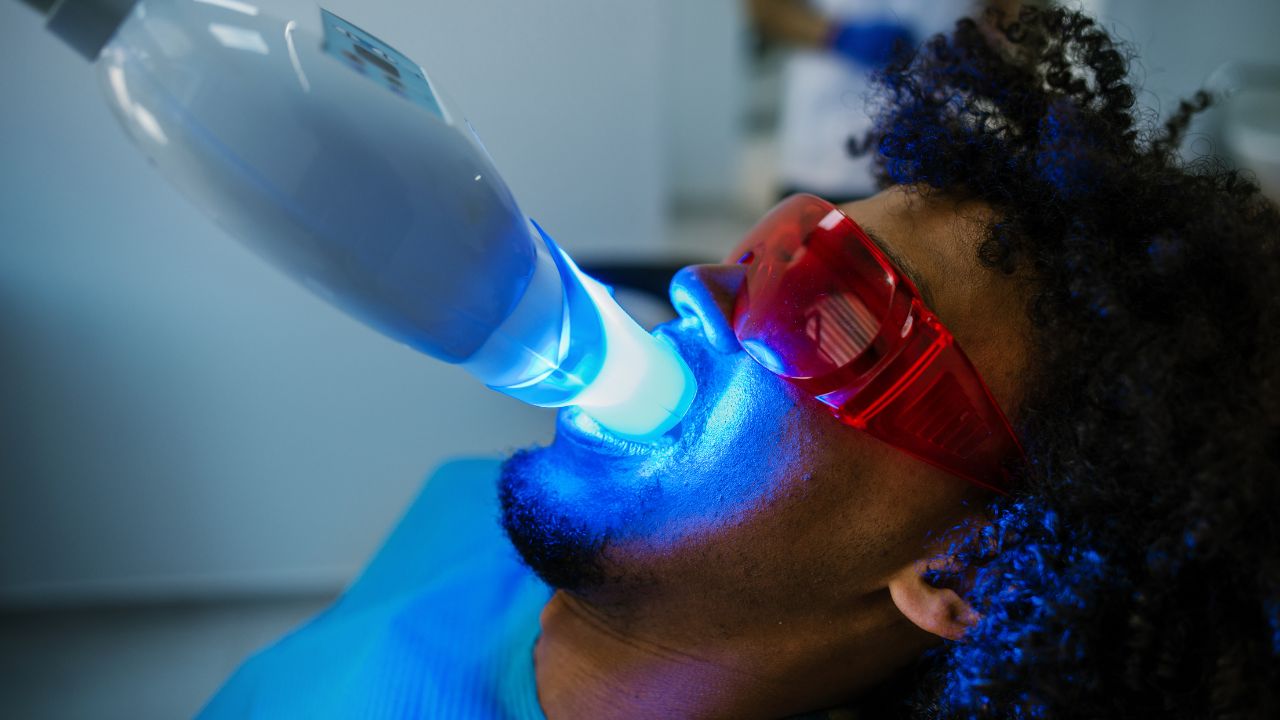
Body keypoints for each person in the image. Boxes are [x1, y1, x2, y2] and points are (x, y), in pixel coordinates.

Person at [201, 7, 1280, 718]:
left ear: (960, 570)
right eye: (780, 241)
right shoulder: (464, 511)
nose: (698, 289)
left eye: (830, 312)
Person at [745, 0, 1018, 204]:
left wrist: (986, 48)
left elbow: (1007, 14)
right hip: (826, 158)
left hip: (941, 155)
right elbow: (765, 9)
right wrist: (835, 35)